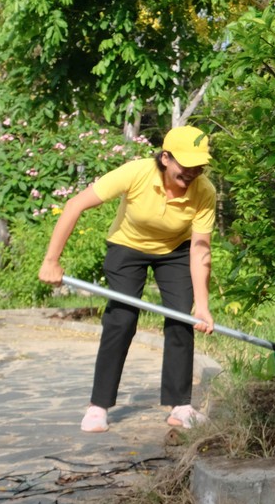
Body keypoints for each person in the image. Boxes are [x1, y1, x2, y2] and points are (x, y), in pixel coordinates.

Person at [39, 125, 217, 433]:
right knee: (121, 319)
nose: (192, 172)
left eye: (198, 166)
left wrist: (201, 306)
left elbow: (200, 249)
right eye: (185, 165)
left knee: (181, 319)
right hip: (127, 247)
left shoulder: (204, 191)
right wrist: (51, 260)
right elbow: (75, 205)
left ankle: (180, 406)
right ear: (165, 158)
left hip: (175, 250)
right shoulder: (135, 173)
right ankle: (98, 406)